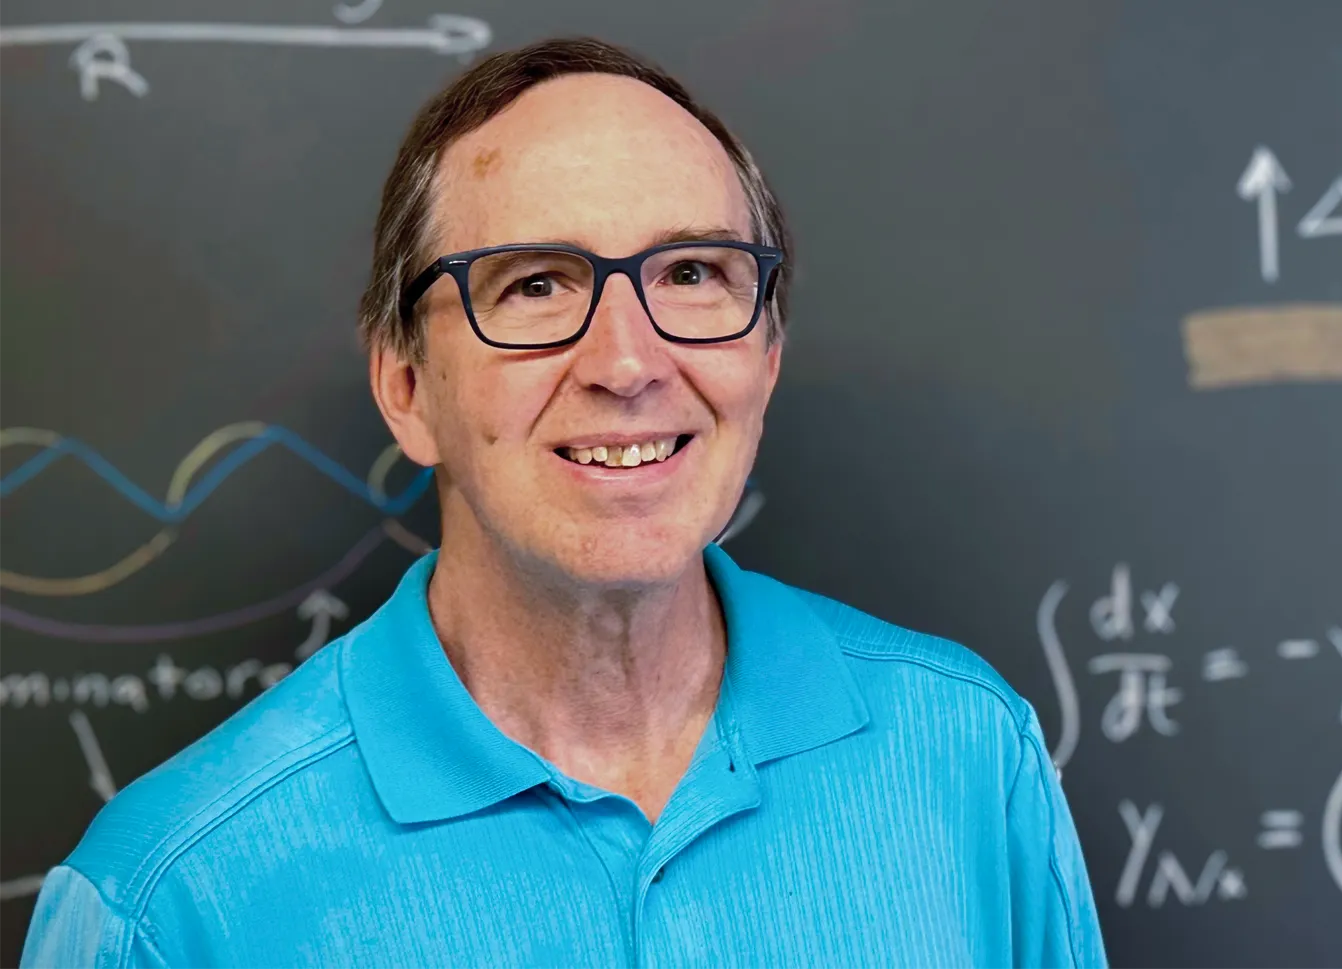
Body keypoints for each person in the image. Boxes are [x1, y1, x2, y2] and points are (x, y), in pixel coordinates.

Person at [22, 36, 1108, 968]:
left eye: (692, 274)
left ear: (766, 356)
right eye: (535, 285)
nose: (627, 362)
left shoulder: (969, 754)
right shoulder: (169, 904)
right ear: (406, 388)